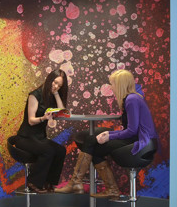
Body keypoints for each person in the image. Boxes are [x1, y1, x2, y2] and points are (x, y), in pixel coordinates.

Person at [56, 69, 158, 197]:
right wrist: (109, 135)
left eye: (113, 83)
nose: (111, 87)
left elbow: (132, 130)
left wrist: (110, 135)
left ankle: (76, 183)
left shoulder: (131, 100)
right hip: (138, 139)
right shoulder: (133, 98)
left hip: (141, 142)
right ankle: (103, 188)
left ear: (120, 84)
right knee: (92, 144)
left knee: (92, 143)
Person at [14, 69, 68, 193]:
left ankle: (49, 182)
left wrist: (56, 94)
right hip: (25, 138)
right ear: (49, 79)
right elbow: (31, 120)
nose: (55, 86)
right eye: (54, 82)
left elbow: (63, 112)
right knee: (48, 150)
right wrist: (43, 118)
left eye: (59, 86)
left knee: (60, 150)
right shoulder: (35, 95)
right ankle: (33, 182)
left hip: (39, 138)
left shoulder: (51, 96)